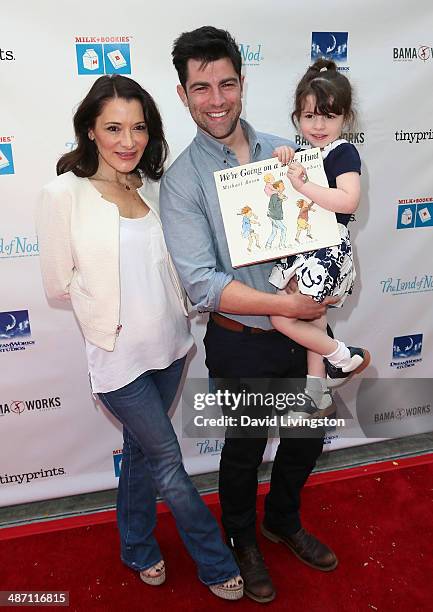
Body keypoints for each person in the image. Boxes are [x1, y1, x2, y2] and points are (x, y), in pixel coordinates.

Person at [35, 74, 243, 601]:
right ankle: (216, 561)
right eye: (113, 128)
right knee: (169, 465)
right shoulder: (64, 194)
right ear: (89, 130)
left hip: (171, 348)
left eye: (139, 128)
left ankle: (136, 545)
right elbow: (58, 282)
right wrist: (110, 314)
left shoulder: (153, 186)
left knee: (141, 452)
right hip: (118, 359)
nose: (128, 141)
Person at [160, 26, 338, 604]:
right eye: (201, 87)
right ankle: (243, 539)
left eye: (227, 84)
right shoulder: (183, 181)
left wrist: (325, 278)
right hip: (242, 340)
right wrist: (287, 305)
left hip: (307, 329)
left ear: (242, 82)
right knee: (243, 448)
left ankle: (281, 520)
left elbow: (322, 228)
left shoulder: (285, 151)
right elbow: (203, 284)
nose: (217, 99)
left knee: (307, 434)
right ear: (184, 94)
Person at [269, 59, 370, 414]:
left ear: (346, 118)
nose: (318, 124)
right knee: (313, 319)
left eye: (328, 116)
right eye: (309, 116)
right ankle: (318, 390)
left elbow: (347, 199)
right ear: (298, 118)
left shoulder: (343, 152)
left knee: (282, 316)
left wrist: (304, 183)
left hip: (326, 248)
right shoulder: (307, 154)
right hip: (306, 244)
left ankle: (342, 356)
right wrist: (285, 157)